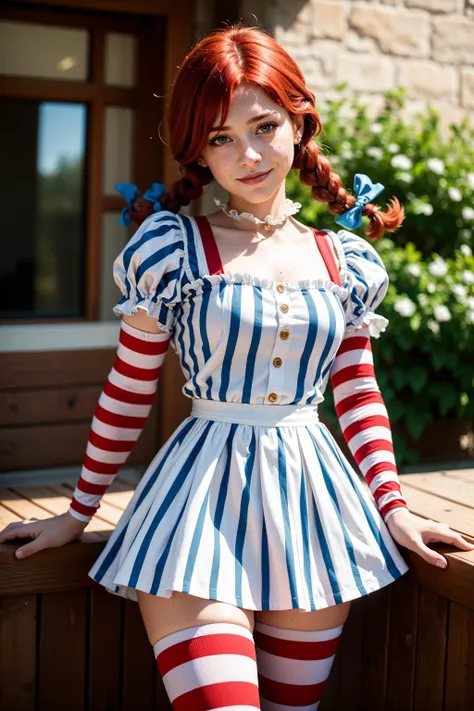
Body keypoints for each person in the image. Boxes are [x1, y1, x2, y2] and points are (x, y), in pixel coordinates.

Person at [1, 24, 473, 711]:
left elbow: (358, 390)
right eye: (220, 137)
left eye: (264, 126)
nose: (246, 154)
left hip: (314, 512)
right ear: (199, 150)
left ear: (300, 121)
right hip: (196, 510)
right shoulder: (172, 247)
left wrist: (393, 506)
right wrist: (77, 512)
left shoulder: (344, 261)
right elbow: (128, 387)